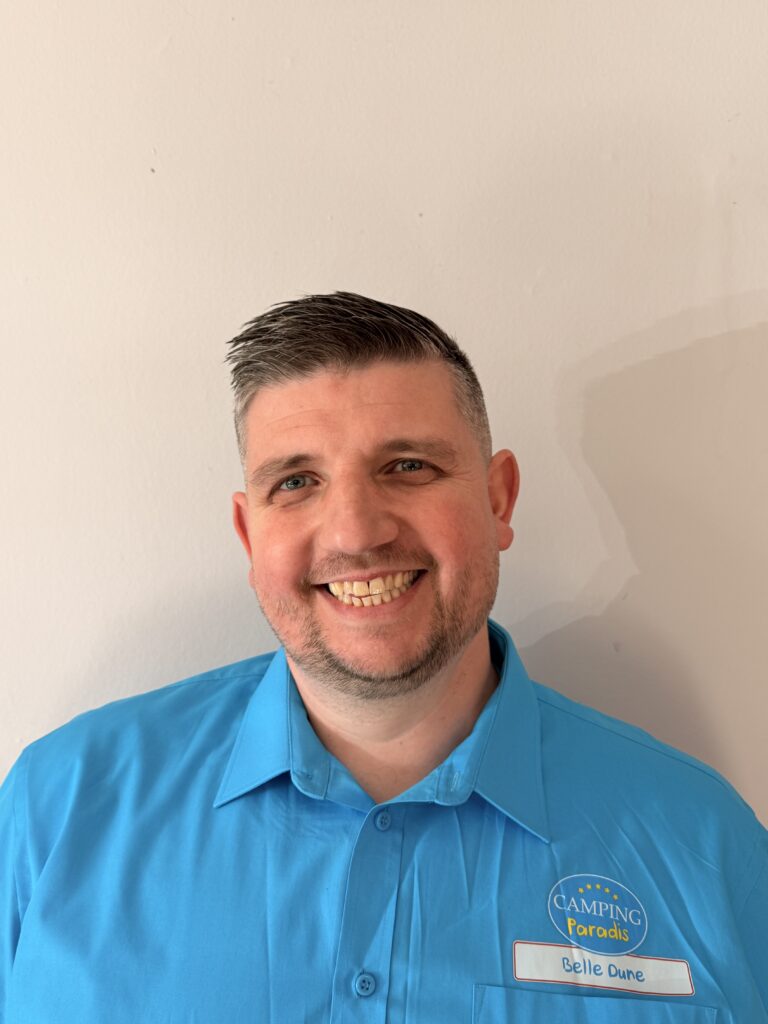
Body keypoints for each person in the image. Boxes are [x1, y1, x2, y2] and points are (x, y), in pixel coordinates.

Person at [0, 292, 765, 1022]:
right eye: (296, 482)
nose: (356, 532)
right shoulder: (56, 810)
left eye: (408, 467)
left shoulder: (705, 845)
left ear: (498, 499)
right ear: (248, 534)